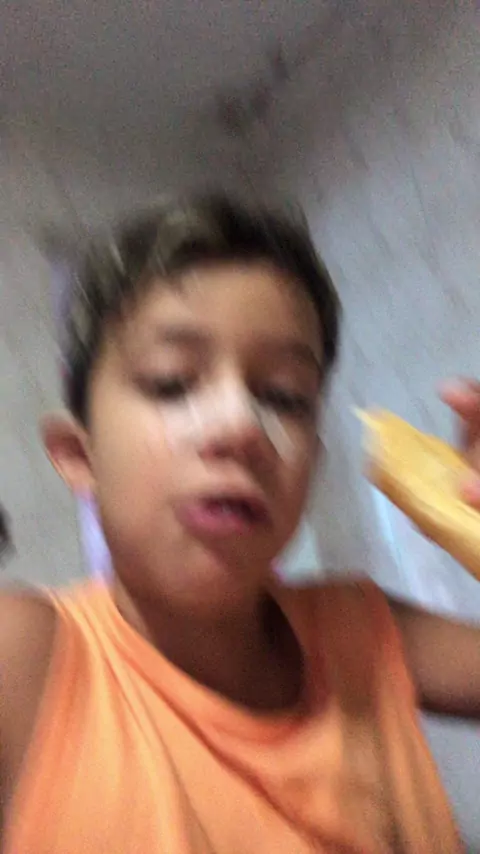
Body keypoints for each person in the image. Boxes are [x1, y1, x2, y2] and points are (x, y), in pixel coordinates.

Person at [1, 193, 480, 854]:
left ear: (314, 462)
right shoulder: (25, 662)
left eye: (283, 396)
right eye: (172, 383)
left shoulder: (363, 632)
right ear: (79, 457)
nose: (240, 427)